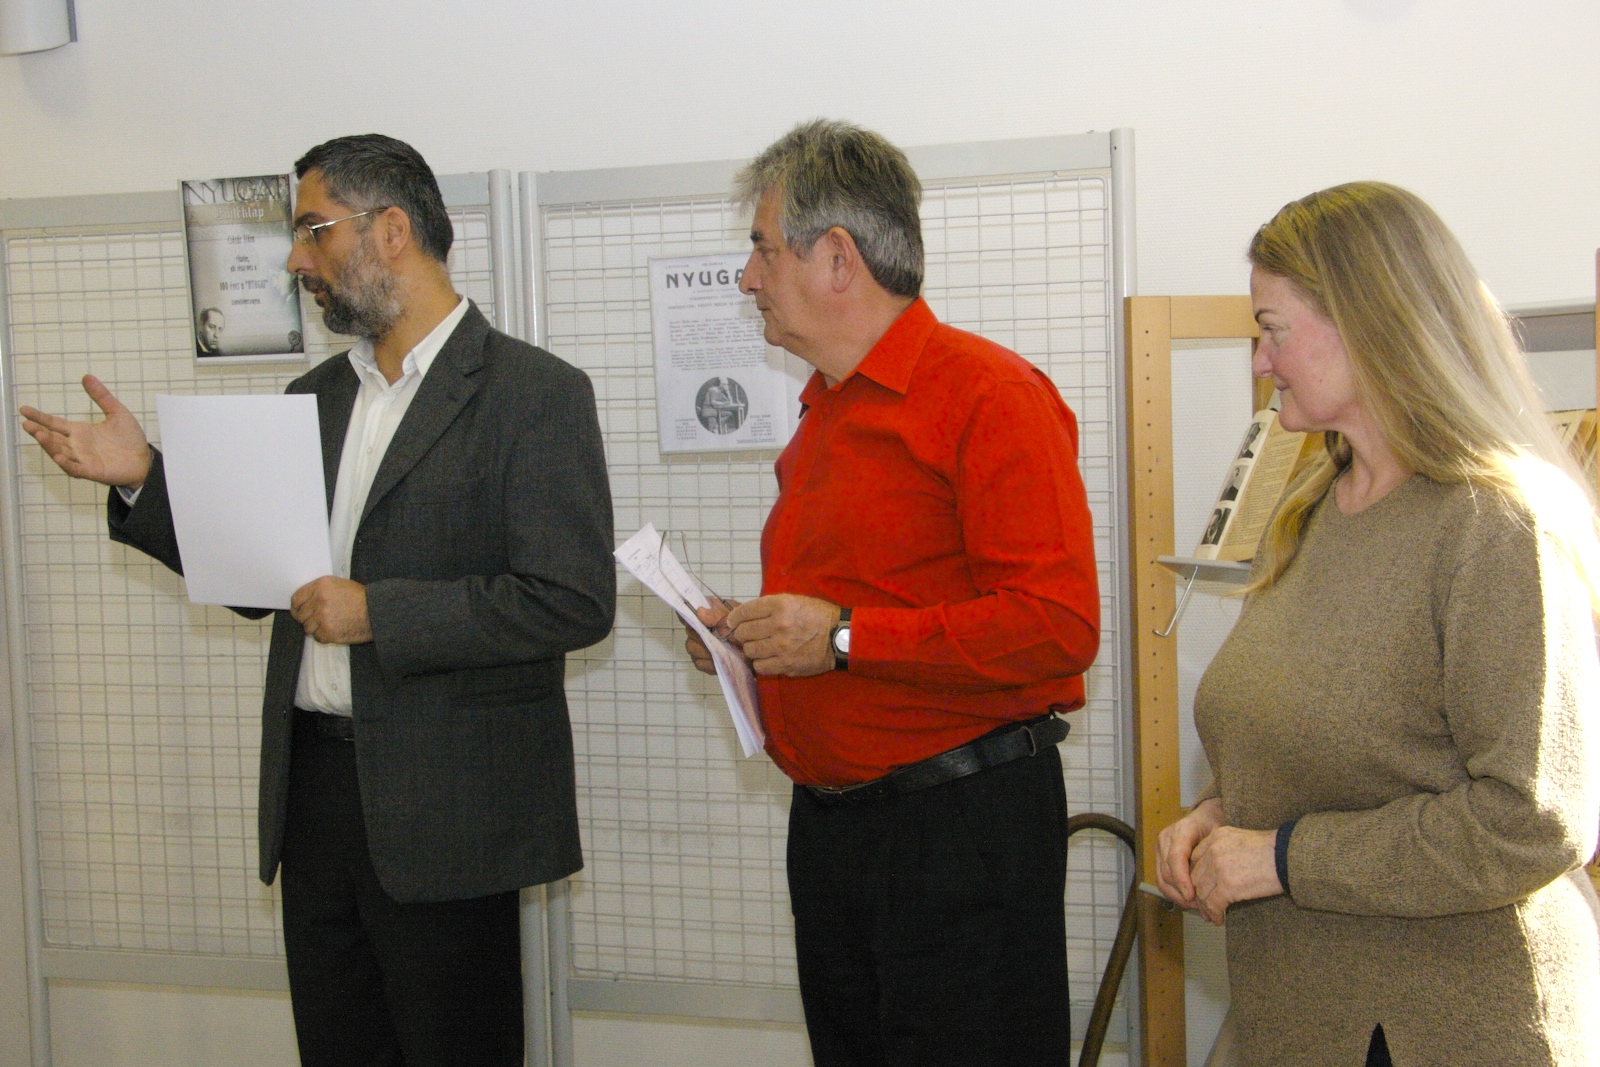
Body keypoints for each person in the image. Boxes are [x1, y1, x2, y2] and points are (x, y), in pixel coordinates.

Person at [19, 134, 616, 1067]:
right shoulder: (315, 396)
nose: (297, 261)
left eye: (313, 230)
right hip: (315, 799)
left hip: (449, 813)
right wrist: (143, 478)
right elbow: (261, 577)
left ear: (391, 230)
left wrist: (380, 612)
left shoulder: (533, 393)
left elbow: (570, 599)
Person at [683, 119, 1100, 1065]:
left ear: (838, 257)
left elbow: (1058, 625)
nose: (746, 278)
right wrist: (751, 637)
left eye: (762, 249)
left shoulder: (989, 395)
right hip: (836, 835)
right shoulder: (825, 409)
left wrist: (839, 640)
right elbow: (856, 604)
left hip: (955, 835)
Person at [1154, 182, 1600, 1067]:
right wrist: (1218, 815)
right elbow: (1339, 748)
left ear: (1368, 324)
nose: (1261, 362)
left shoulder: (1493, 527)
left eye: (1273, 330)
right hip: (1307, 1013)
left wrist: (1282, 857)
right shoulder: (1317, 504)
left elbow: (1533, 820)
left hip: (1452, 1027)